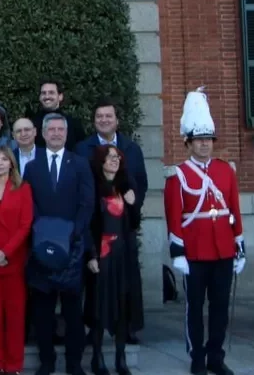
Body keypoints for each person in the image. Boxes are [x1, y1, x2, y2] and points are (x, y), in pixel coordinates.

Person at [165, 89, 244, 375]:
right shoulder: (179, 175)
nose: (205, 145)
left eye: (208, 140)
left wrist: (239, 245)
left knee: (220, 307)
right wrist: (178, 251)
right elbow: (174, 216)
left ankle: (216, 356)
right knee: (194, 309)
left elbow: (234, 210)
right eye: (199, 140)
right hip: (195, 252)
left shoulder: (226, 171)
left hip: (223, 249)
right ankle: (197, 356)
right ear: (188, 143)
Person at [23, 114, 93, 375]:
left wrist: (72, 233)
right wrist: (43, 233)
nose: (55, 133)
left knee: (73, 311)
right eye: (50, 129)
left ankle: (74, 364)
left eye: (59, 129)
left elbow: (87, 203)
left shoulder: (80, 164)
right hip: (42, 247)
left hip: (72, 247)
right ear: (42, 133)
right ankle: (47, 362)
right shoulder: (32, 167)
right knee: (43, 311)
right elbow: (29, 204)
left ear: (65, 133)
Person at [76, 99, 147, 344]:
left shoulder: (131, 148)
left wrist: (131, 206)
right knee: (94, 281)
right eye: (99, 116)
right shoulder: (83, 148)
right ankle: (92, 328)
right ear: (94, 121)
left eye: (108, 116)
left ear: (117, 120)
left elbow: (141, 183)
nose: (104, 120)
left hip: (122, 224)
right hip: (96, 224)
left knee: (126, 280)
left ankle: (125, 327)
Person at [0, 146, 33, 375]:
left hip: (14, 261)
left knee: (15, 315)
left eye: (5, 159)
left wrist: (6, 252)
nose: (0, 163)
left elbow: (25, 224)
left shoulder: (24, 188)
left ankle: (13, 366)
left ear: (12, 164)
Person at [86, 144, 137, 375]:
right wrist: (91, 255)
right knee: (99, 308)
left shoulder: (126, 186)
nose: (114, 161)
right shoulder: (93, 187)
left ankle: (120, 357)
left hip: (121, 255)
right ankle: (97, 358)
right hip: (101, 255)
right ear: (101, 161)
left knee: (122, 306)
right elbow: (87, 224)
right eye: (109, 157)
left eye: (117, 157)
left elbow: (134, 223)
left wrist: (133, 204)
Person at [31, 80, 85, 150]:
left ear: (60, 96)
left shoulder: (73, 123)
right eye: (43, 93)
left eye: (51, 93)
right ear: (40, 97)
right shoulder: (32, 124)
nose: (47, 96)